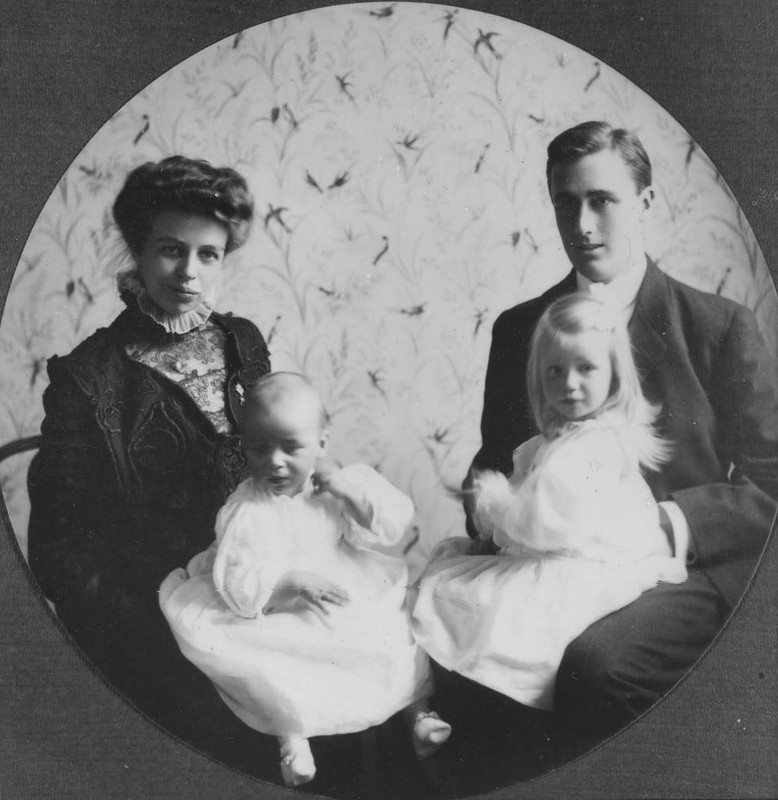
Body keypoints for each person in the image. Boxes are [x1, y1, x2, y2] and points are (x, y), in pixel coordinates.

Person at [463, 120, 778, 735]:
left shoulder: (717, 327)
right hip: (555, 565)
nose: (581, 227)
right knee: (448, 640)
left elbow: (773, 483)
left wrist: (669, 524)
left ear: (645, 202)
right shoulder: (519, 329)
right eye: (566, 204)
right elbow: (492, 464)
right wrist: (491, 511)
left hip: (679, 570)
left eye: (601, 200)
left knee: (594, 665)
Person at [26, 156, 275, 773]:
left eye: (208, 254)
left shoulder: (242, 342)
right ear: (138, 249)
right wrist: (159, 629)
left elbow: (276, 465)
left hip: (256, 591)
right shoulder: (88, 379)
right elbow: (62, 555)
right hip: (157, 628)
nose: (189, 273)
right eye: (170, 249)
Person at [159, 372, 451, 787]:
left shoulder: (335, 484)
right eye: (259, 450)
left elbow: (388, 525)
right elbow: (239, 584)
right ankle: (292, 740)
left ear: (321, 444)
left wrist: (348, 491)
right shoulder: (247, 511)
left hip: (343, 579)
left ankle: (418, 713)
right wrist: (292, 582)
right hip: (277, 597)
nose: (275, 462)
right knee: (275, 660)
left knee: (393, 629)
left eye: (291, 448)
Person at [411, 292, 687, 712]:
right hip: (560, 550)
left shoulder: (591, 448)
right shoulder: (566, 440)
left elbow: (547, 523)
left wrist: (497, 504)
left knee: (445, 596)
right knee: (446, 582)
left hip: (580, 565)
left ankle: (437, 705)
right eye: (554, 371)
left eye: (586, 368)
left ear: (614, 375)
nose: (569, 383)